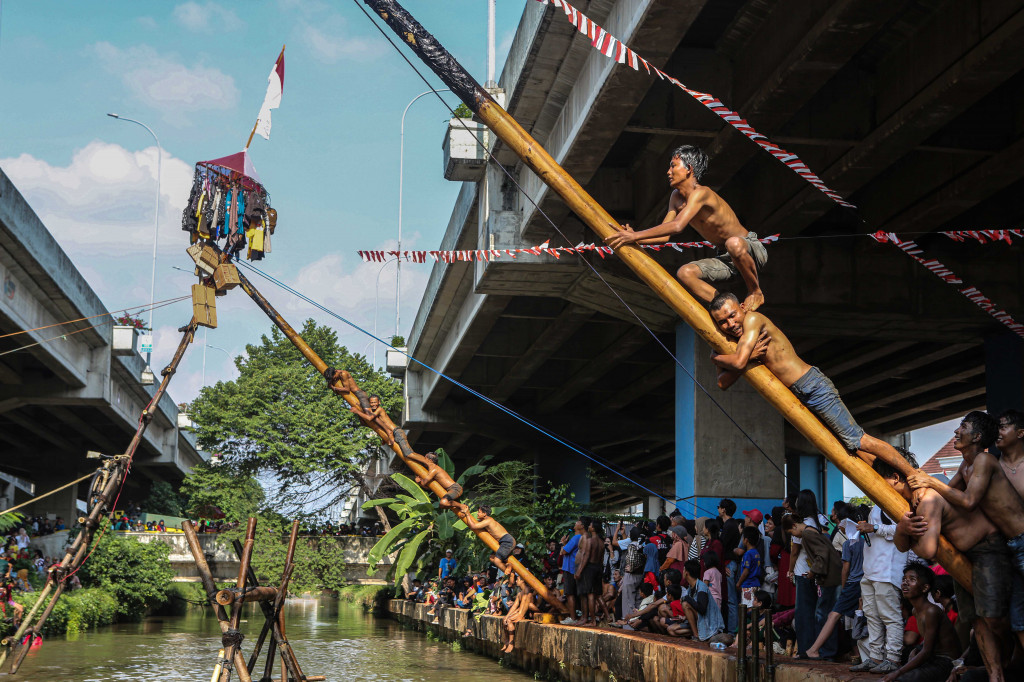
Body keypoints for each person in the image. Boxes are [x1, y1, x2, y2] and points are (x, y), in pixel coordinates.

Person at [709, 292, 910, 469]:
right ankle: (889, 479)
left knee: (858, 440)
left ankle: (911, 473)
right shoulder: (738, 343)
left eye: (732, 315)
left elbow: (739, 361)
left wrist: (716, 358)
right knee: (850, 447)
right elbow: (722, 383)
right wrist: (748, 358)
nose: (730, 324)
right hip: (797, 394)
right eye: (722, 322)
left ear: (742, 308)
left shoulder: (752, 320)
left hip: (811, 385)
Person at [884, 449, 1011, 682]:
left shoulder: (926, 496)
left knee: (994, 617)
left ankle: (1008, 663)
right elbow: (903, 546)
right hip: (960, 558)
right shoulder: (908, 505)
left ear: (895, 477)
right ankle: (996, 675)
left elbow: (927, 551)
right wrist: (902, 530)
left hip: (985, 549)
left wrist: (904, 534)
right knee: (975, 618)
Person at [907, 411, 1024, 650]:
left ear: (977, 437)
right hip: (1009, 544)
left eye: (963, 426)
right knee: (1017, 616)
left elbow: (968, 501)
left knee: (1014, 614)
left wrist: (929, 482)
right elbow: (945, 496)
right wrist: (922, 493)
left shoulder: (984, 460)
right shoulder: (966, 465)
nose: (956, 431)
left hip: (1022, 540)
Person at [603, 145, 767, 311]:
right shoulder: (675, 197)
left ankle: (755, 292)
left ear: (689, 169)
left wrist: (635, 235)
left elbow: (677, 226)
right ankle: (726, 308)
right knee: (684, 273)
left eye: (673, 166)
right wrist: (635, 237)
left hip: (749, 250)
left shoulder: (702, 193)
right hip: (726, 258)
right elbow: (664, 235)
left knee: (733, 243)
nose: (668, 172)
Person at [879, 563, 961, 682]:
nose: (905, 583)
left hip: (945, 662)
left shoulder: (931, 611)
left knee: (898, 678)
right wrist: (916, 649)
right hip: (933, 659)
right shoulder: (916, 610)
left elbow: (927, 652)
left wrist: (898, 672)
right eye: (904, 579)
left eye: (912, 579)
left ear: (925, 588)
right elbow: (927, 644)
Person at [806, 506, 865, 660]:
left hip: (851, 584)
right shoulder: (866, 541)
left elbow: (845, 569)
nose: (840, 529)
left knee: (833, 615)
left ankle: (814, 649)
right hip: (865, 583)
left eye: (843, 526)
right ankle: (861, 654)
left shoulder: (848, 545)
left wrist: (844, 587)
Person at [784, 514, 843, 661]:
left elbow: (822, 555)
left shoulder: (807, 534)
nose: (794, 536)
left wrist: (812, 572)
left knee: (823, 614)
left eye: (792, 533)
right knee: (825, 613)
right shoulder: (813, 530)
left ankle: (824, 652)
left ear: (794, 526)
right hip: (832, 576)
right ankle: (822, 651)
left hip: (828, 579)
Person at [678, 559, 727, 643]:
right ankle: (697, 634)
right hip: (700, 621)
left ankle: (696, 636)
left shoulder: (702, 587)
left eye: (683, 569)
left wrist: (687, 598)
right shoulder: (690, 588)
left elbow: (702, 609)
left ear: (687, 572)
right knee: (672, 630)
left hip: (708, 622)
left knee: (685, 604)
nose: (682, 571)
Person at [460, 505, 516, 575]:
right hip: (504, 541)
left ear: (484, 514)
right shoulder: (486, 520)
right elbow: (473, 523)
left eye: (479, 512)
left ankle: (509, 573)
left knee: (497, 561)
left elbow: (473, 526)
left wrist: (467, 513)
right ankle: (507, 565)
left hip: (507, 541)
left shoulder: (488, 521)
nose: (477, 513)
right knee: (492, 557)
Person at [718, 499, 743, 633]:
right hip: (731, 563)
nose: (718, 509)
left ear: (724, 510)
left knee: (731, 601)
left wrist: (722, 565)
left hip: (729, 564)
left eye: (719, 507)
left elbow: (722, 548)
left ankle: (732, 632)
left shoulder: (729, 525)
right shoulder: (732, 524)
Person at [576, 518, 604, 626]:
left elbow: (586, 556)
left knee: (590, 595)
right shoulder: (601, 542)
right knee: (596, 594)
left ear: (593, 528)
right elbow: (601, 559)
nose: (589, 526)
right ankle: (602, 617)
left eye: (590, 525)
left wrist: (579, 570)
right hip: (598, 568)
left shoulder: (589, 541)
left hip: (590, 568)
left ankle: (592, 620)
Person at [558, 518, 584, 625]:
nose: (575, 523)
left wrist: (564, 543)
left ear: (581, 526)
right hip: (576, 568)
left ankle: (573, 618)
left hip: (570, 568)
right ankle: (580, 615)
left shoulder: (576, 538)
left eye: (577, 522)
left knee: (570, 594)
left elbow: (564, 551)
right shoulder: (582, 537)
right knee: (577, 594)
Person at [736, 526, 763, 608]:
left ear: (746, 540)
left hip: (748, 585)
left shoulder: (748, 554)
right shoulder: (756, 553)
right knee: (754, 607)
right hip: (756, 584)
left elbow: (746, 571)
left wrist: (738, 583)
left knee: (747, 608)